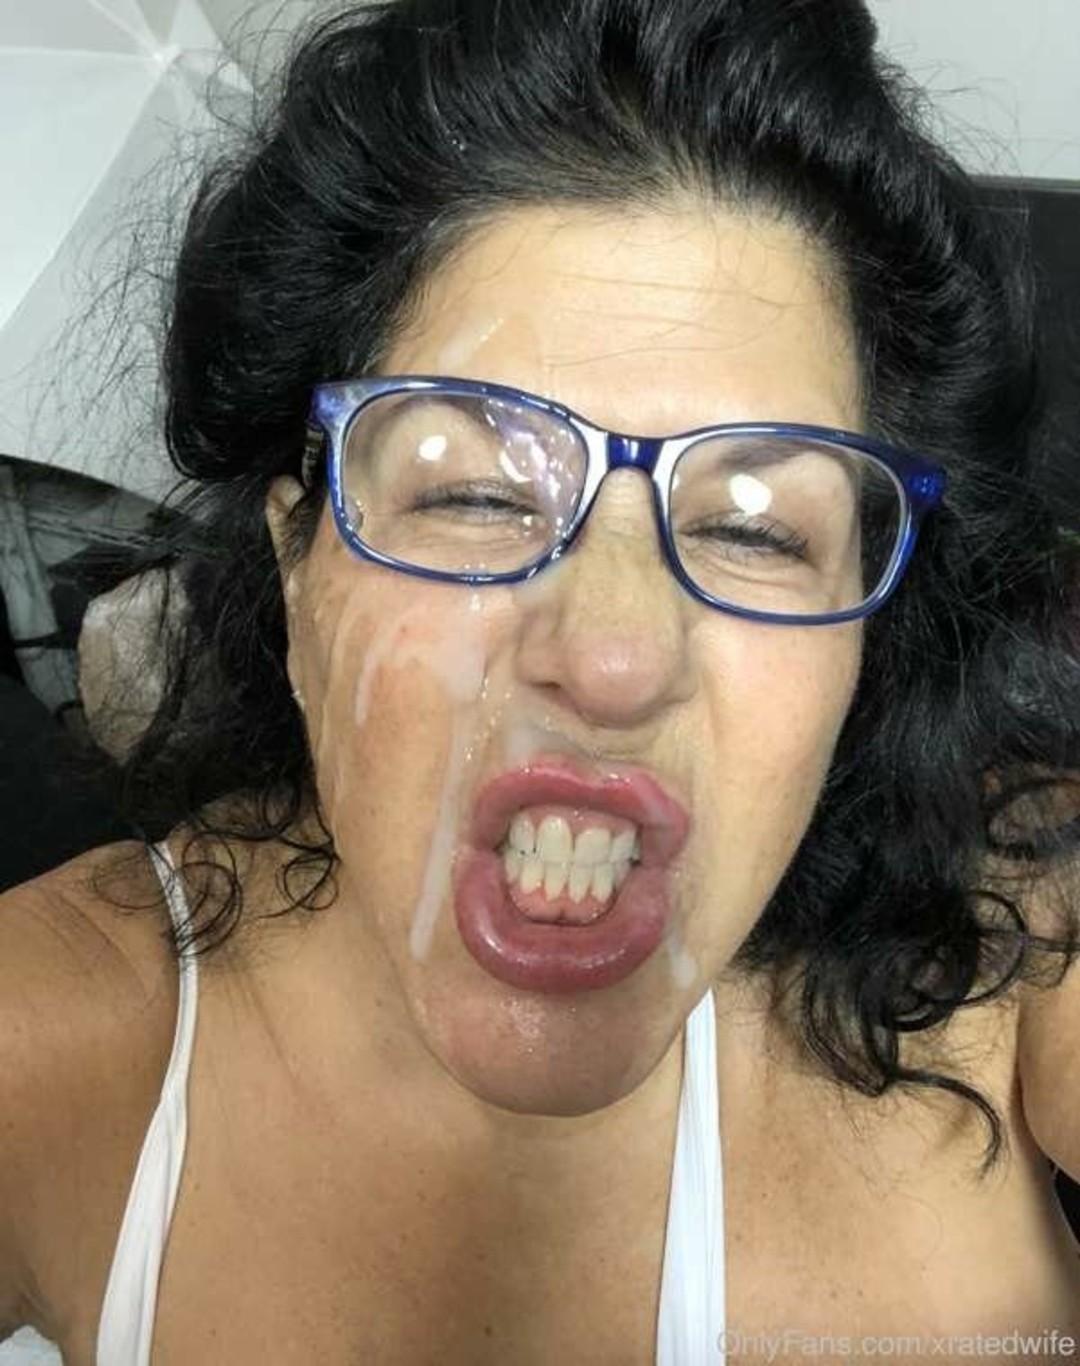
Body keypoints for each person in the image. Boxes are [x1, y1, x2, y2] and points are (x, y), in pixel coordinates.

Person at [2, 0, 1079, 1361]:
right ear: (297, 571)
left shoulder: (1018, 944)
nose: (616, 657)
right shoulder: (60, 1042)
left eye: (758, 529)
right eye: (471, 494)